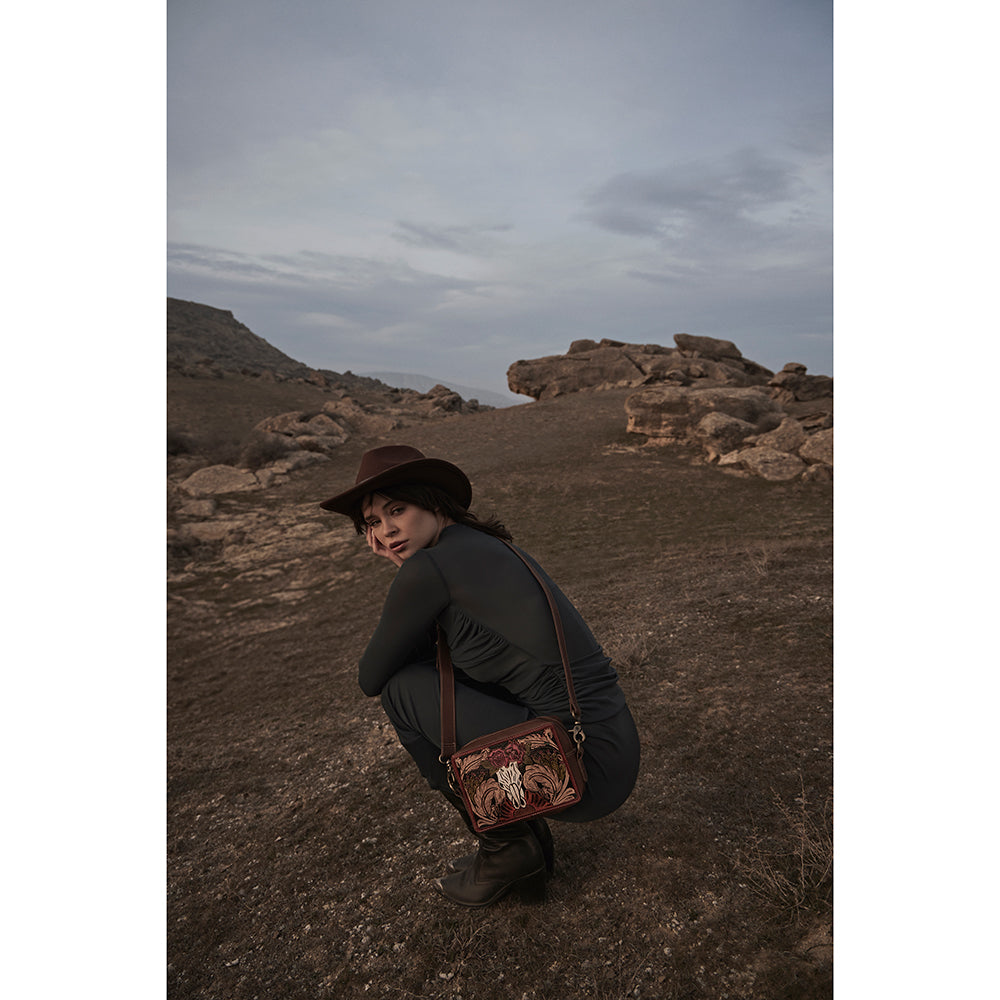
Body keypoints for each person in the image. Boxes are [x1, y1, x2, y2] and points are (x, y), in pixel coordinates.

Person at [320, 445, 640, 907]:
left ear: (432, 502)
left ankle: (506, 848)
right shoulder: (481, 546)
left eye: (397, 510)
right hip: (605, 742)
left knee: (400, 691)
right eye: (371, 522)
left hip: (581, 765)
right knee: (428, 677)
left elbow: (370, 676)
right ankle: (521, 838)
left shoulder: (431, 566)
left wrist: (409, 572)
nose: (386, 531)